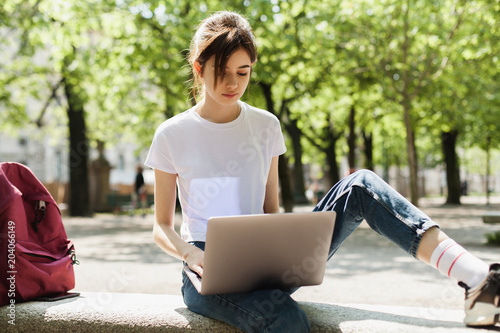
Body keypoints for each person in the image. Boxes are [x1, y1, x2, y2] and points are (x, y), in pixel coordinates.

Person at [144, 11, 499, 332]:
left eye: (243, 72)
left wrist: (286, 245)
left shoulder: (266, 126)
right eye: (221, 72)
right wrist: (191, 254)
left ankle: (477, 278)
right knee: (284, 317)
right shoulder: (173, 134)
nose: (233, 83)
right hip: (205, 269)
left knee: (360, 185)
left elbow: (270, 211)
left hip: (262, 254)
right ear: (198, 66)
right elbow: (162, 227)